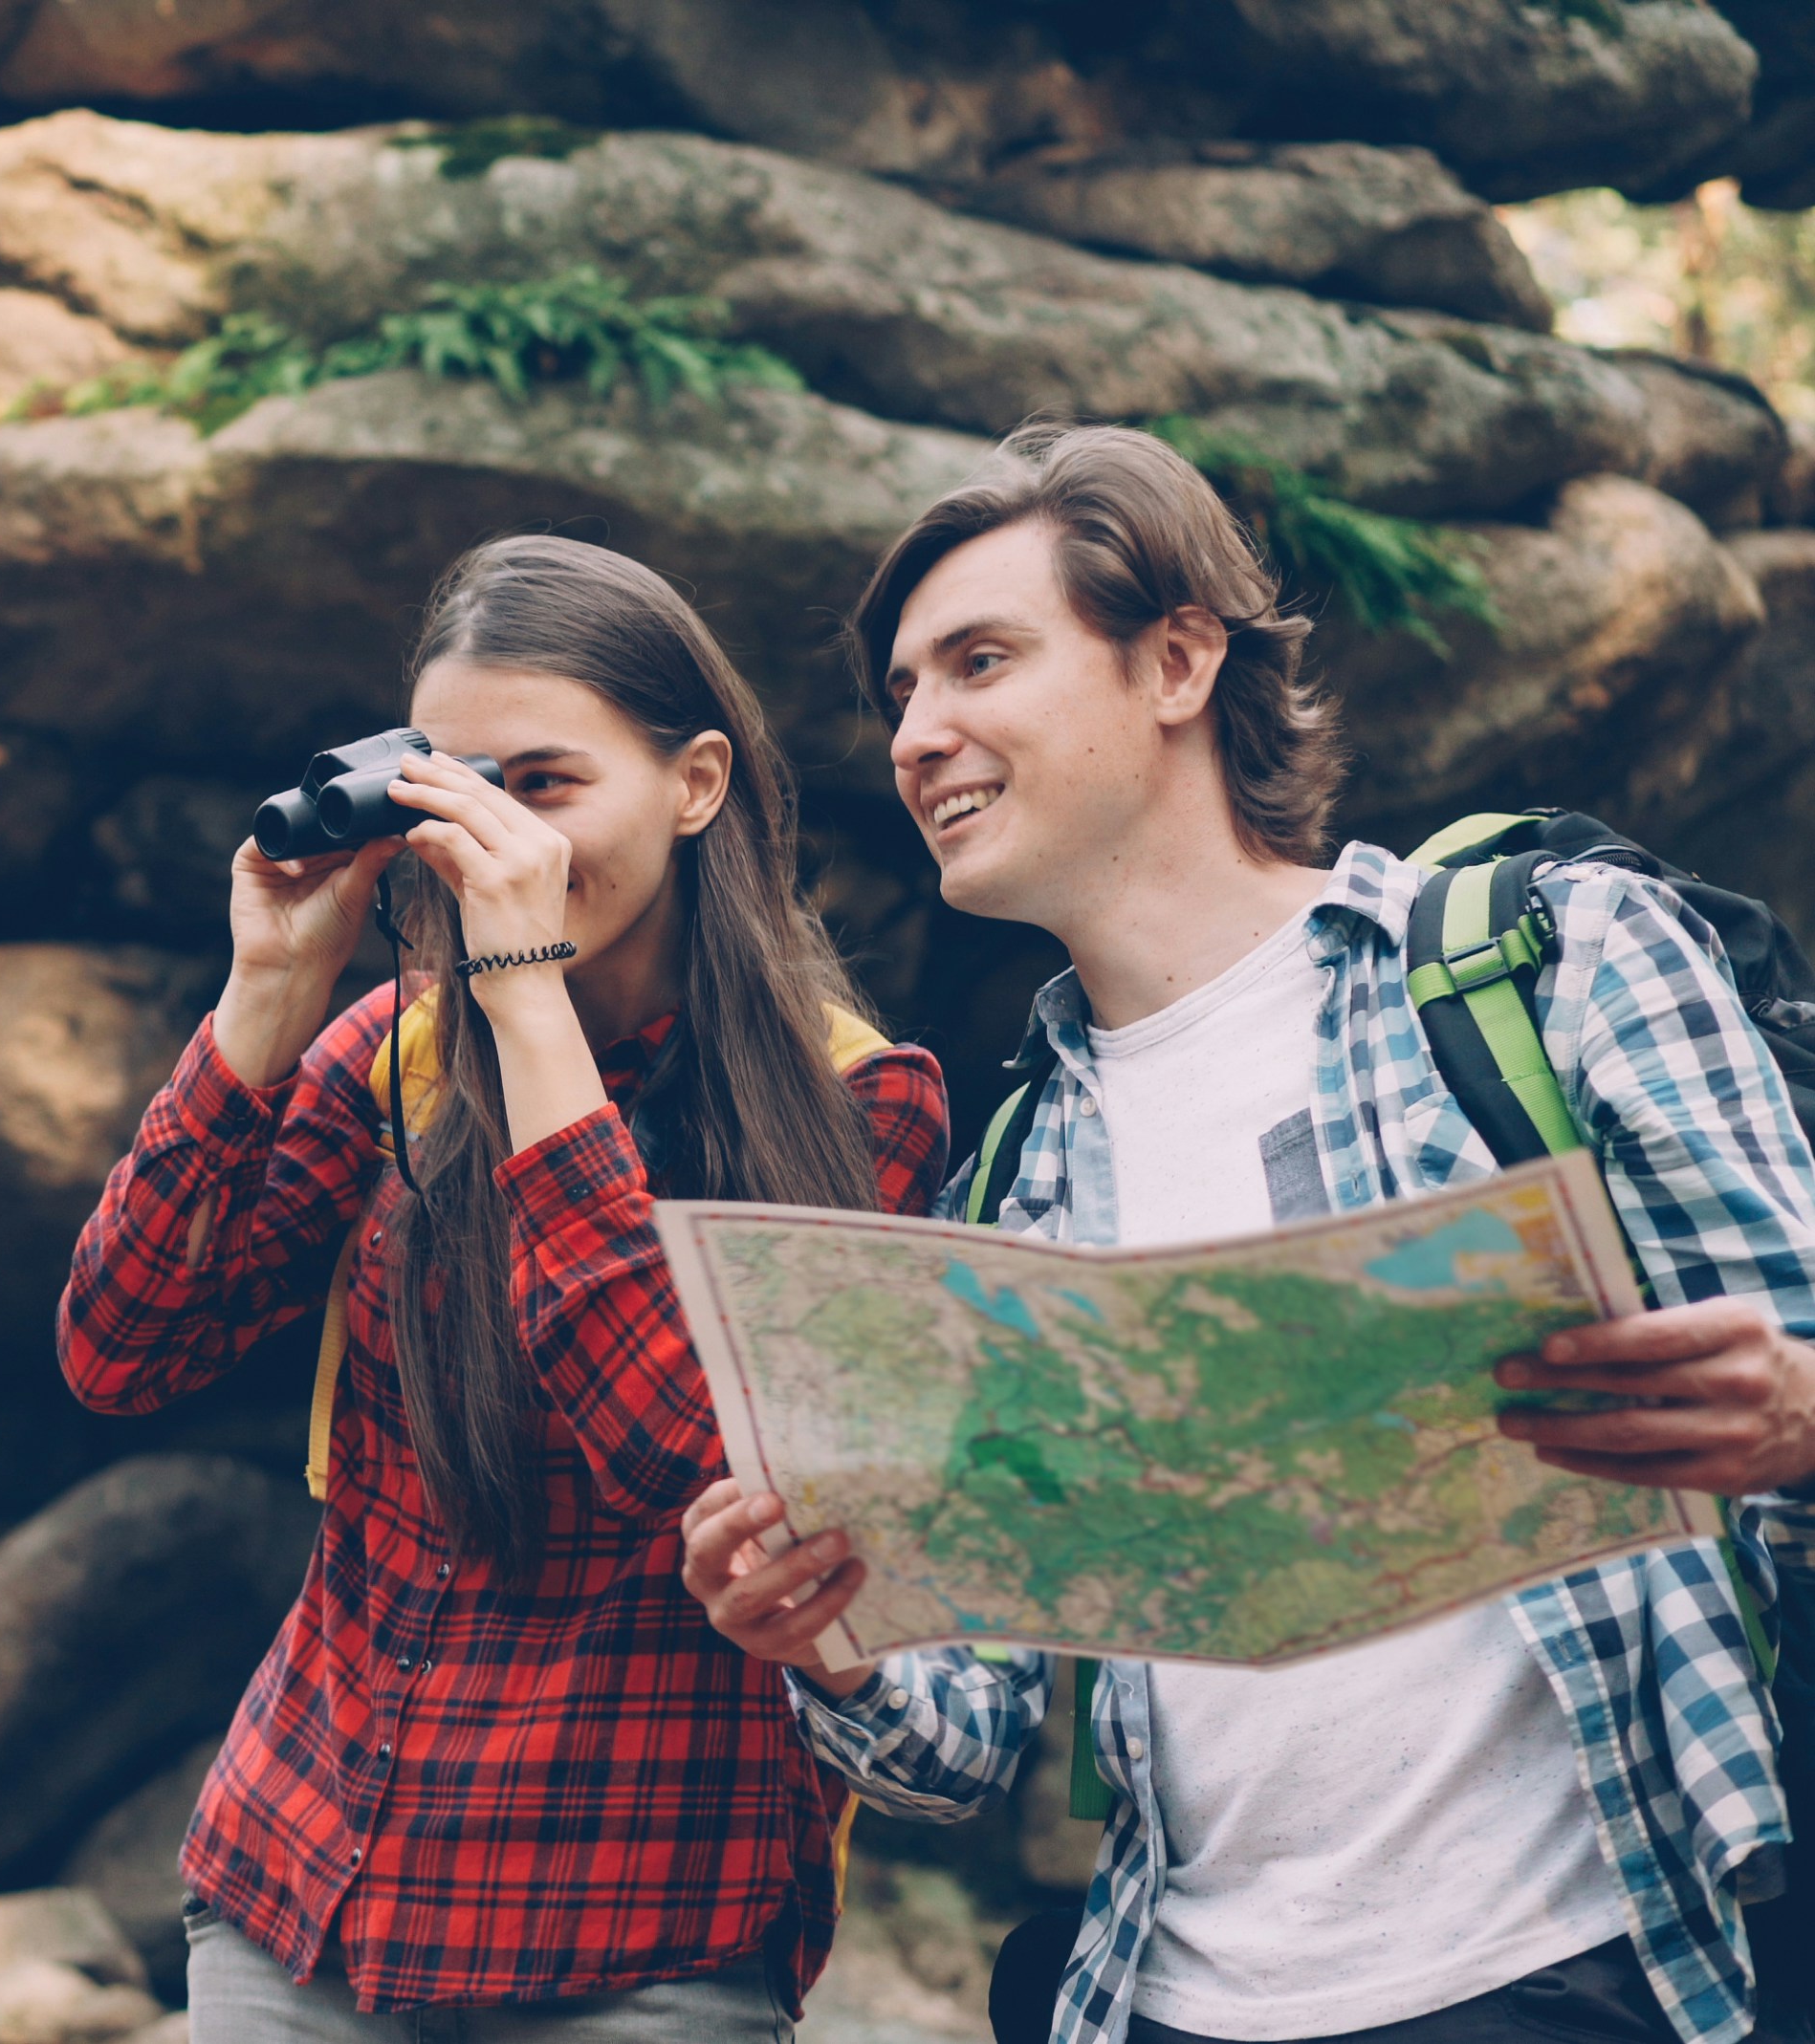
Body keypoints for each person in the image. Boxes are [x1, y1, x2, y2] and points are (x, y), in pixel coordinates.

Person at [681, 423, 1815, 2044]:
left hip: (1590, 1972)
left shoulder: (1551, 961)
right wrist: (834, 1646)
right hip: (1171, 2002)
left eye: (979, 661)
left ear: (1178, 661)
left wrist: (1795, 1417)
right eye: (902, 696)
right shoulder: (1014, 1183)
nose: (919, 735)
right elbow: (970, 1735)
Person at [58, 534, 954, 2041]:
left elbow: (697, 1462)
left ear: (697, 783)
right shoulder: (395, 1061)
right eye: (454, 786)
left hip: (634, 1930)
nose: (493, 835)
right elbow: (120, 1348)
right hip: (308, 1889)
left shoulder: (866, 1110)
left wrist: (527, 1001)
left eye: (541, 783)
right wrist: (268, 997)